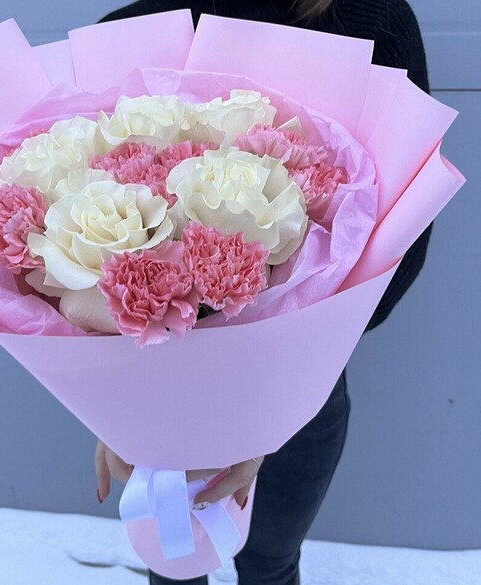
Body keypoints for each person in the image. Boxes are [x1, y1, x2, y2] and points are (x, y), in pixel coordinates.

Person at [94, 1, 432, 583]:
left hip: (303, 388)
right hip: (161, 391)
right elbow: (76, 226)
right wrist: (118, 398)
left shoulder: (371, 19)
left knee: (270, 567)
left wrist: (262, 411)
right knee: (175, 566)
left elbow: (400, 249)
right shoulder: (133, 31)